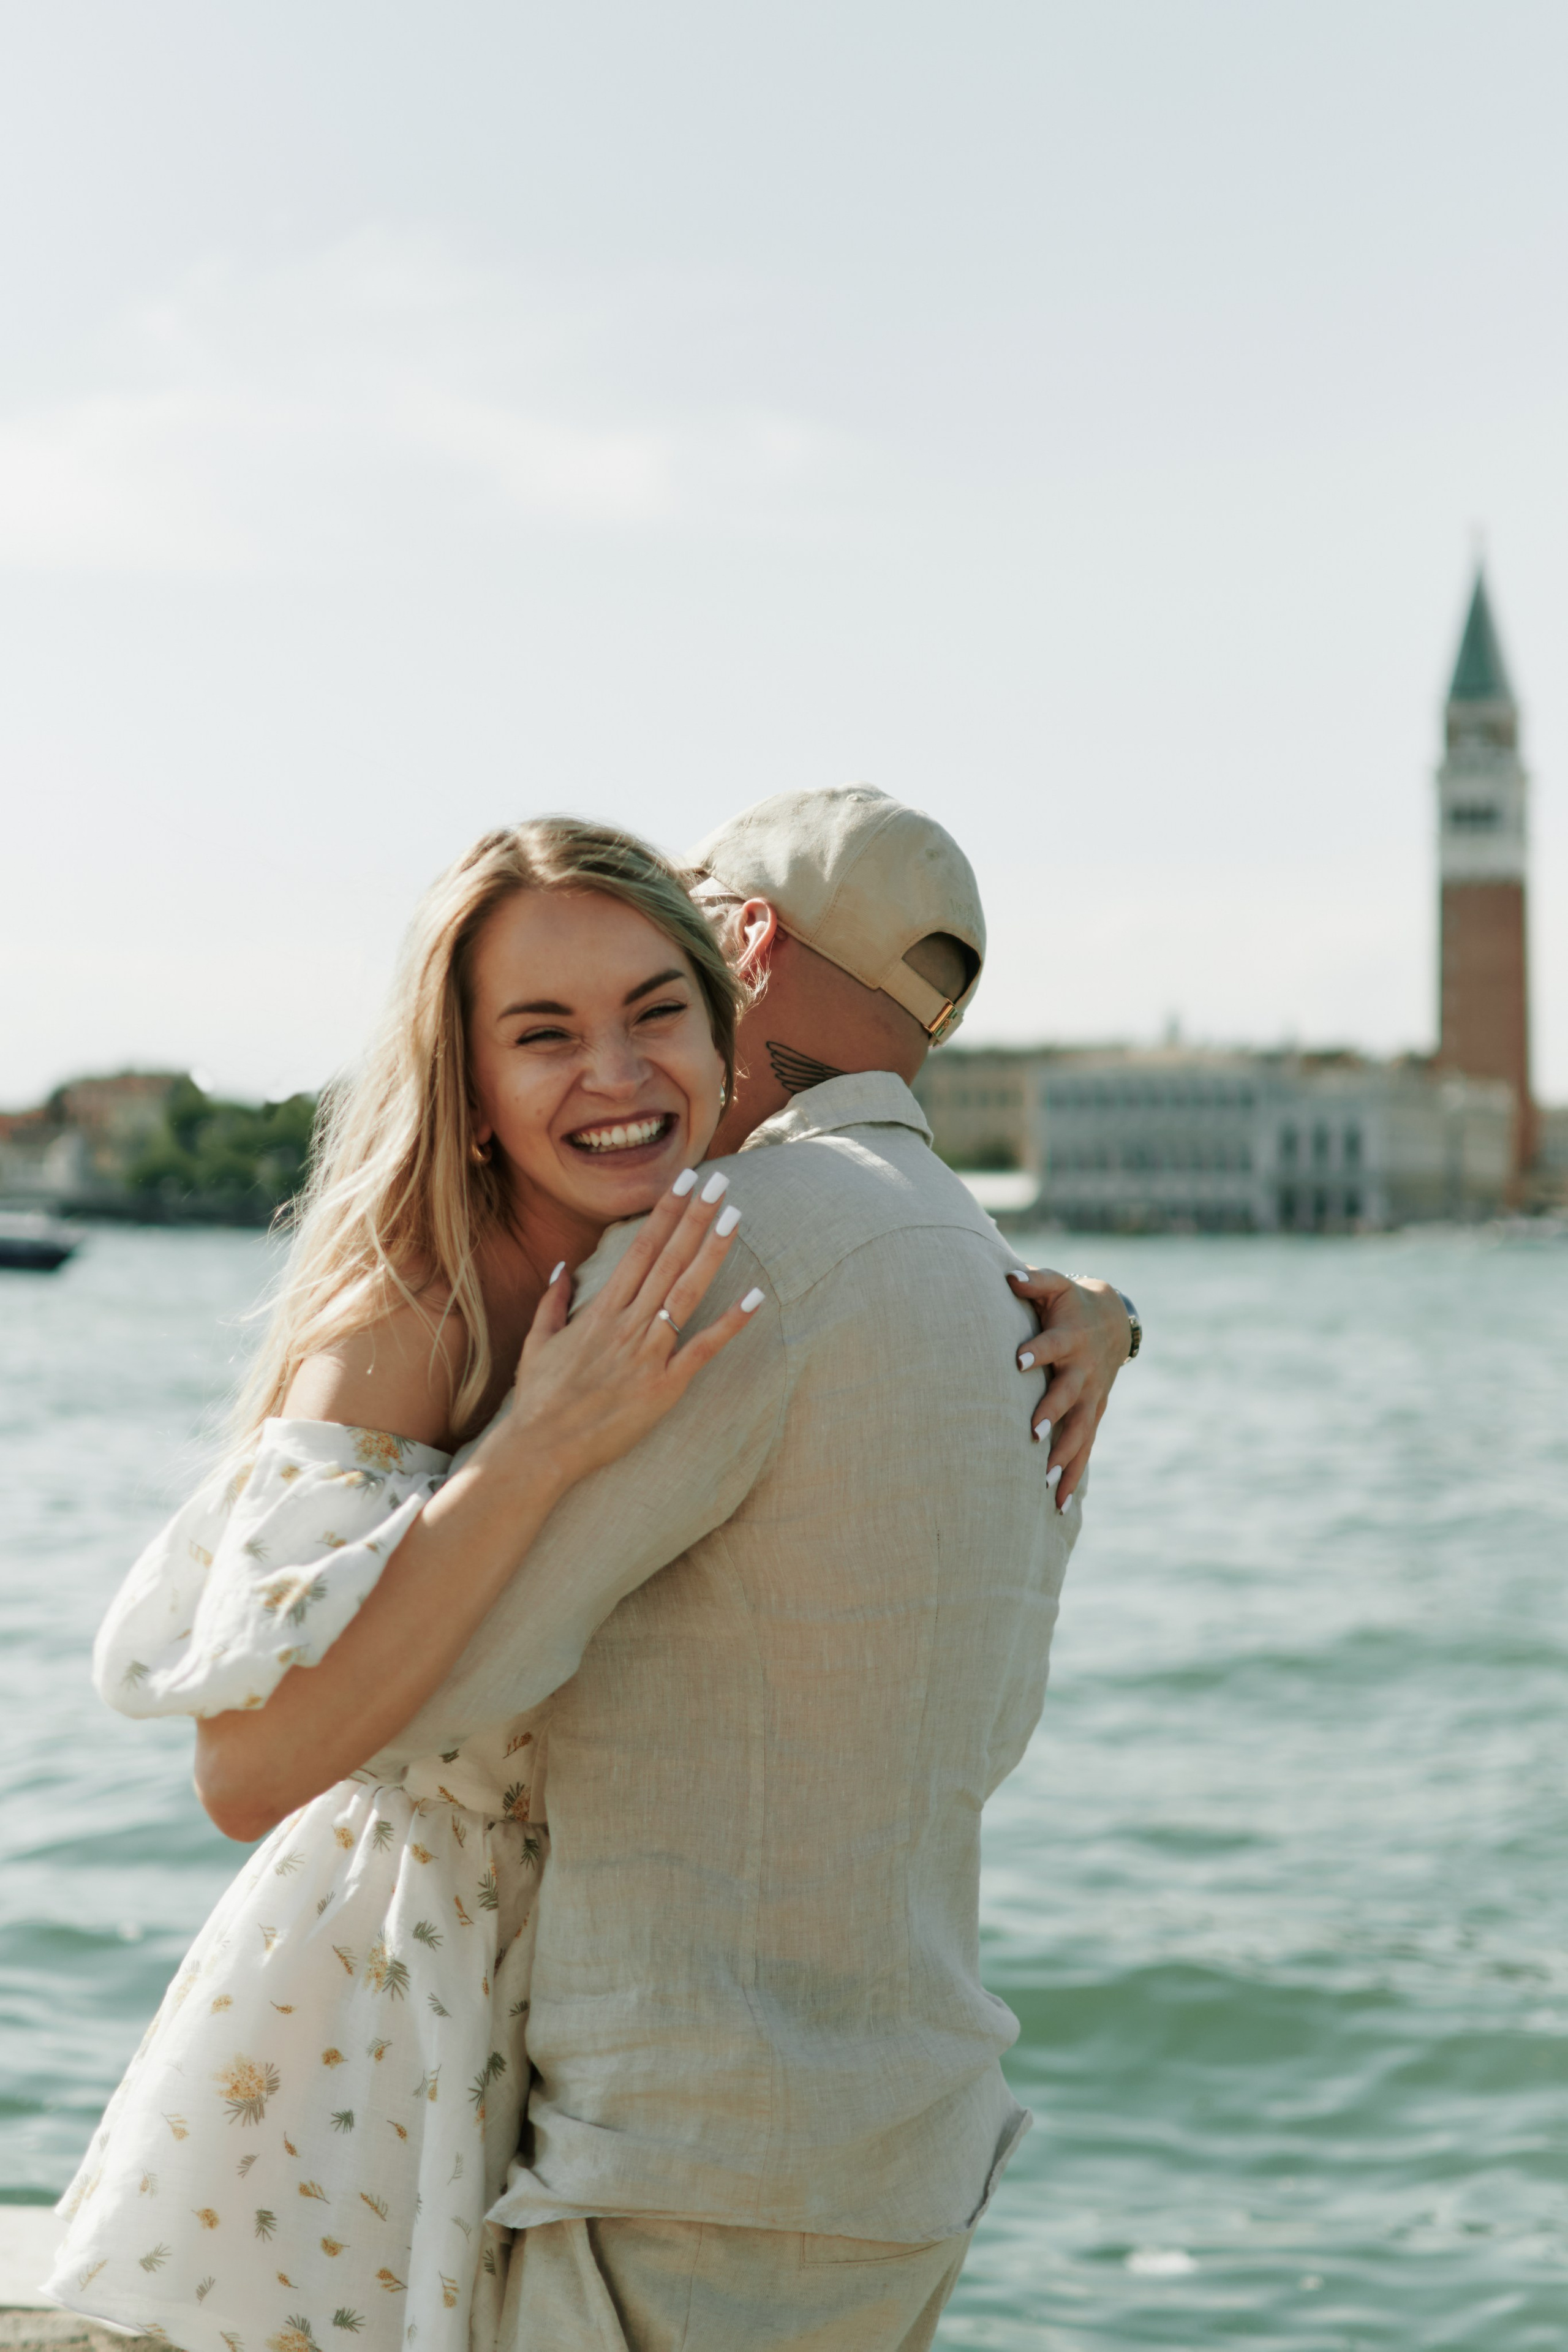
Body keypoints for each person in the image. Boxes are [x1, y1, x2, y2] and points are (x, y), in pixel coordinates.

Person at [47, 801, 1133, 2352]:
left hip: (554, 2047)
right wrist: (535, 1444)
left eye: (654, 1015)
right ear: (471, 1084)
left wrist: (1105, 1312)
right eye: (544, 1036)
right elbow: (245, 1768)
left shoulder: (716, 1250)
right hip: (387, 2031)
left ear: (725, 993)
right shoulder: (411, 1308)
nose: (618, 1077)